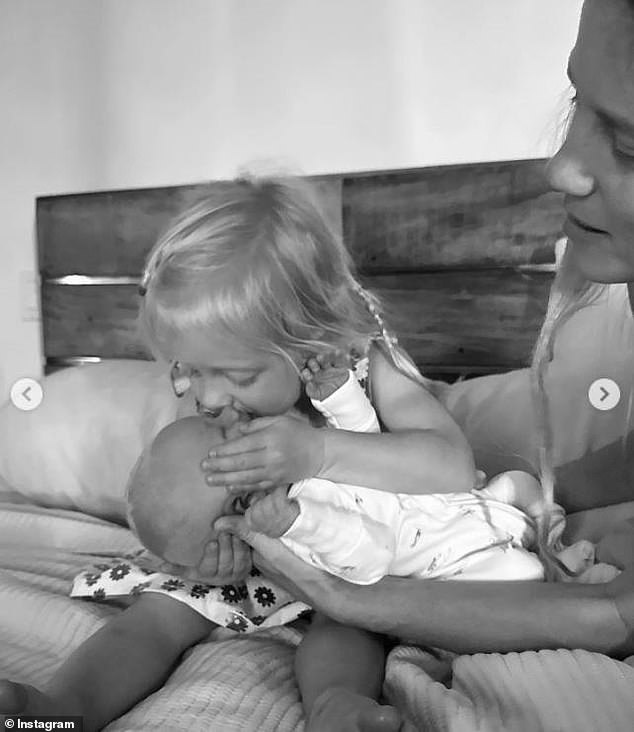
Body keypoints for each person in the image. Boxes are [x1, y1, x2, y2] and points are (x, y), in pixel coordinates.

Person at [214, 0, 634, 664]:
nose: (559, 167)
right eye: (576, 98)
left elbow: (617, 612)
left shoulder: (357, 363)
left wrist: (350, 597)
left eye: (629, 142)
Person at [0, 174, 480, 732]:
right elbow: (181, 496)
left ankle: (335, 706)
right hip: (257, 564)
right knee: (158, 612)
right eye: (190, 371)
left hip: (352, 557)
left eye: (236, 374)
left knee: (348, 621)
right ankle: (61, 711)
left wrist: (319, 451)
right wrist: (201, 552)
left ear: (310, 339)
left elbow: (451, 467)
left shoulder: (366, 372)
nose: (207, 397)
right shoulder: (211, 402)